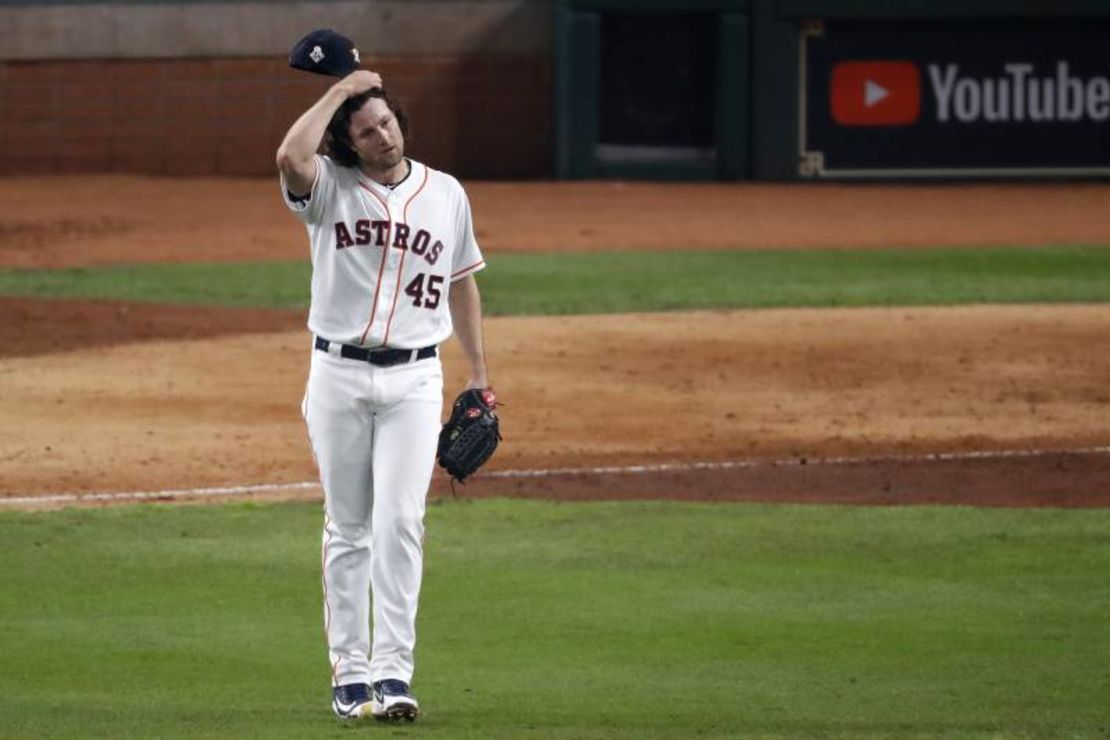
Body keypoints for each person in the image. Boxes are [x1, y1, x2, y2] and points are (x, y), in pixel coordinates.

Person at [275, 69, 491, 722]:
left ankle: (395, 676)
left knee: (401, 523)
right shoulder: (327, 187)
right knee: (350, 527)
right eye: (366, 131)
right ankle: (351, 674)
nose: (382, 134)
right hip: (338, 375)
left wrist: (479, 373)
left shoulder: (445, 193)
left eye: (387, 122)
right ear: (349, 142)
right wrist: (341, 91)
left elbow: (462, 281)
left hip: (415, 382)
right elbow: (290, 154)